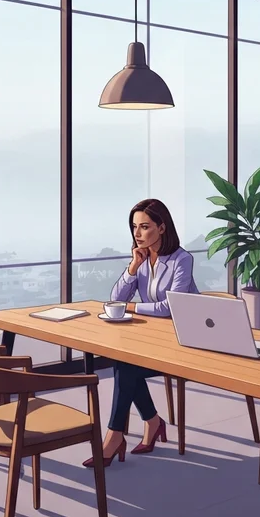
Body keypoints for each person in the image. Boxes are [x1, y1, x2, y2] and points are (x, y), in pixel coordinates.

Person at [82, 198, 198, 468]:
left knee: (125, 367)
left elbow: (169, 308)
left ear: (162, 227)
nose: (137, 233)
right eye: (134, 227)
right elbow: (115, 298)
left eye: (144, 226)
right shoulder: (143, 259)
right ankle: (148, 424)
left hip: (183, 339)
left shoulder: (182, 260)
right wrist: (133, 267)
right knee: (125, 364)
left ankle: (119, 435)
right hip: (154, 337)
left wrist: (133, 307)